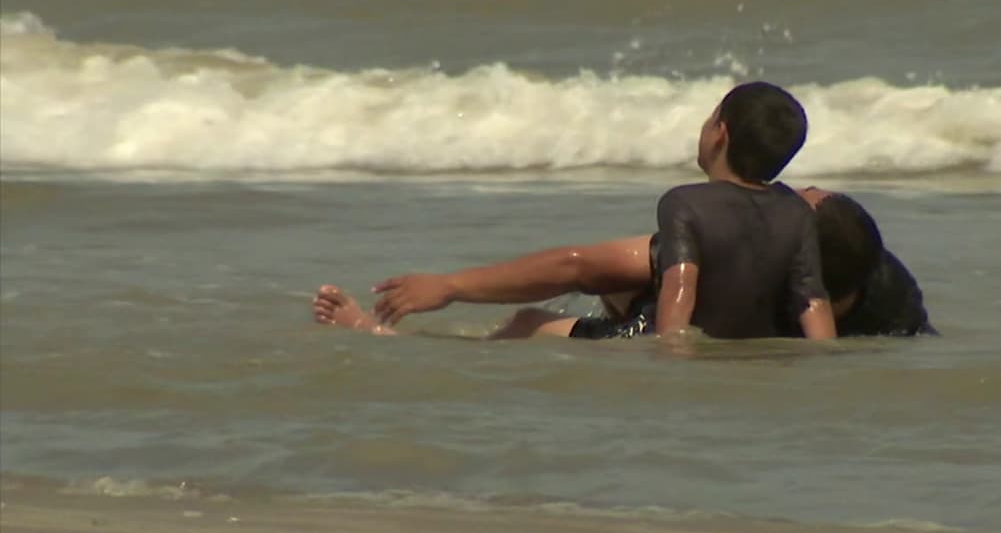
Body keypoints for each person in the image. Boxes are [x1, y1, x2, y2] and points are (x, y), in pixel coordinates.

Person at [313, 187, 935, 340]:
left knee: (536, 328)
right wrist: (449, 286)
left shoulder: (893, 309)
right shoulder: (869, 269)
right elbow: (580, 266)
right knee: (621, 276)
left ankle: (375, 334)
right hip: (690, 305)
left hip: (699, 326)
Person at [648, 81, 833, 339]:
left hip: (702, 342)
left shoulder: (683, 203)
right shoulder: (796, 211)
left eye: (711, 118)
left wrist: (672, 351)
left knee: (573, 326)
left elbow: (681, 287)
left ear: (720, 134)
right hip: (759, 346)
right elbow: (812, 299)